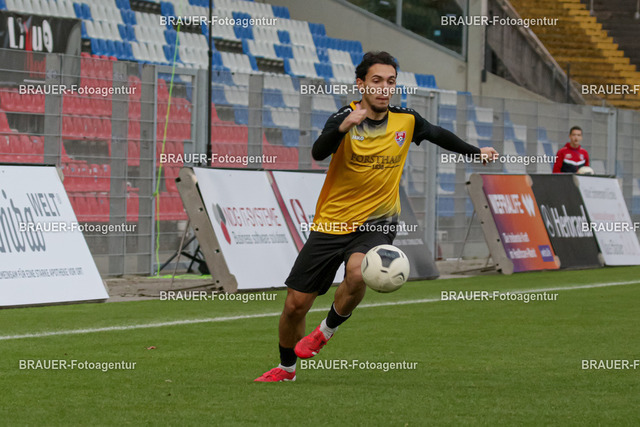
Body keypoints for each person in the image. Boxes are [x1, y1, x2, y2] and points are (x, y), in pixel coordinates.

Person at [254, 51, 499, 382]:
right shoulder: (344, 117)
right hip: (331, 223)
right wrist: (343, 127)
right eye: (377, 81)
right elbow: (319, 151)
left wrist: (475, 152)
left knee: (358, 272)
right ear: (361, 84)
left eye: (390, 82)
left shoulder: (406, 120)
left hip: (377, 222)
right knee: (295, 306)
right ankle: (287, 369)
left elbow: (438, 134)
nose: (384, 88)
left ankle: (325, 331)